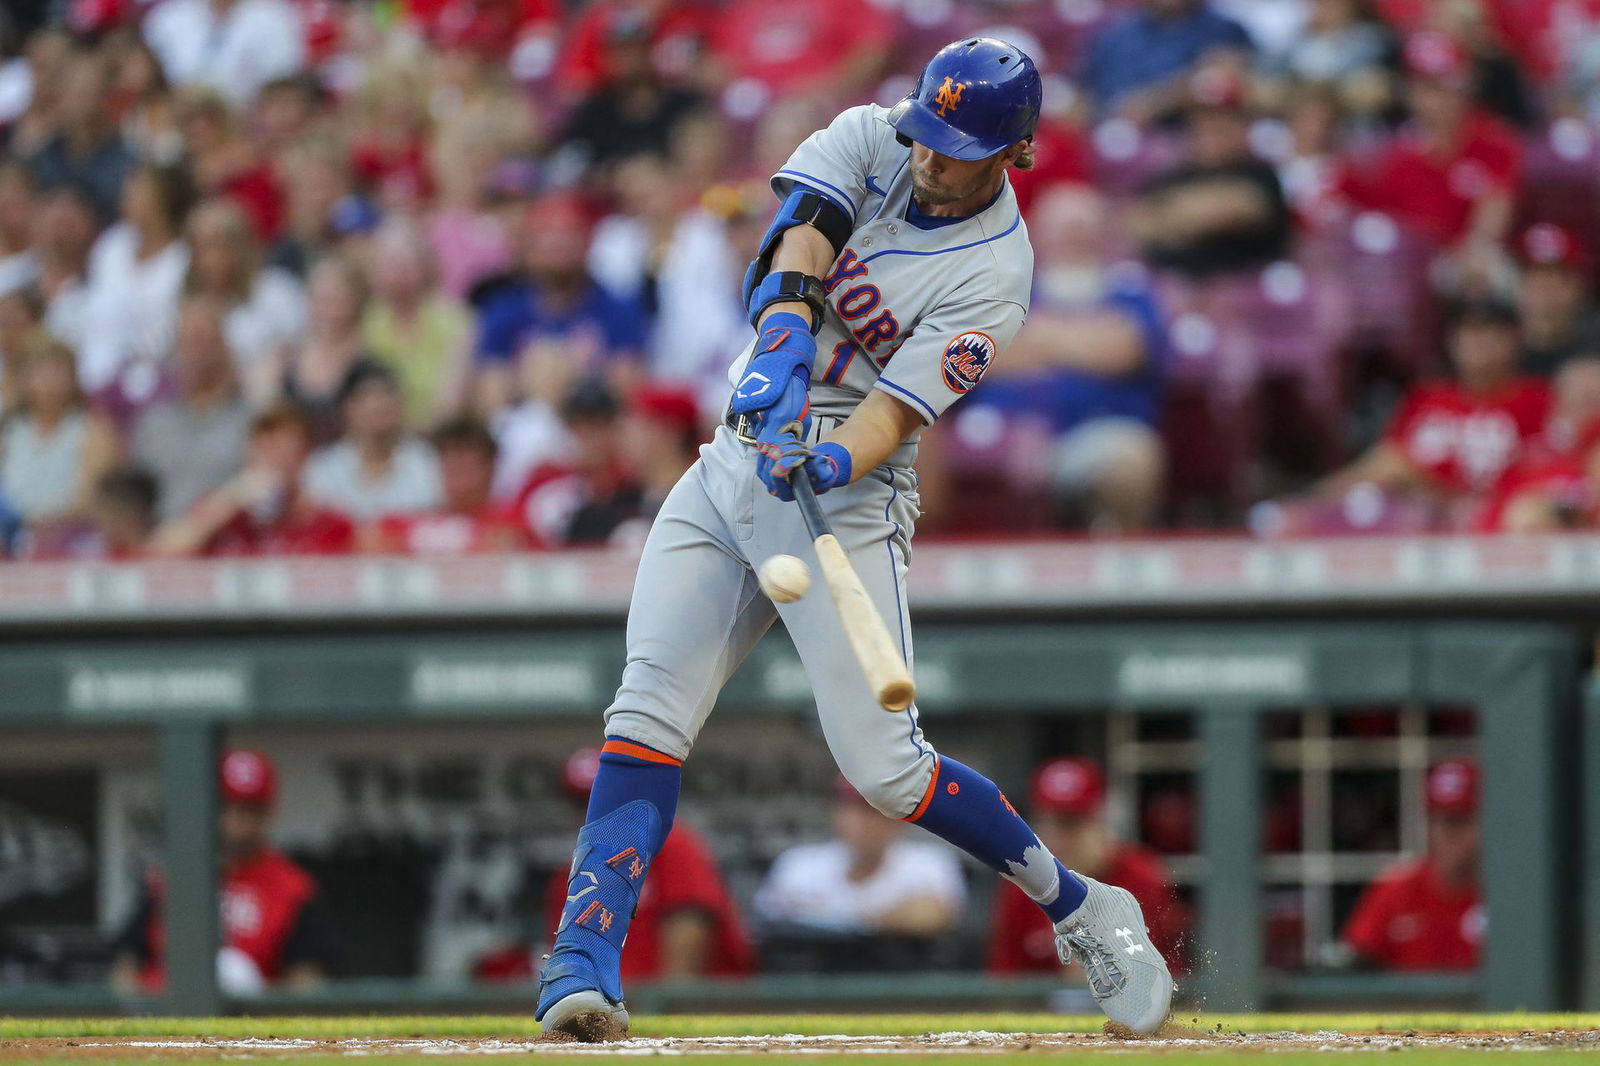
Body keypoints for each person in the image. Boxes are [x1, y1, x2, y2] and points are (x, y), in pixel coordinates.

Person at [533, 39, 1173, 1042]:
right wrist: (784, 333)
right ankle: (583, 959)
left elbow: (893, 417)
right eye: (929, 132)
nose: (930, 157)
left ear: (1014, 153)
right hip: (734, 461)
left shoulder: (994, 274)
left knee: (885, 769)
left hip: (849, 493)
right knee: (647, 702)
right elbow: (804, 229)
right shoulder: (874, 134)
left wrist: (830, 461)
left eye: (958, 147)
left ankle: (1080, 907)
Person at [110, 748, 338, 996]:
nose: (234, 822)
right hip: (161, 1020)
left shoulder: (294, 888)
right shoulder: (171, 877)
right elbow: (126, 969)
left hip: (250, 1026)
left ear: (269, 813)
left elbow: (306, 984)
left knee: (233, 972)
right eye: (225, 807)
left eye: (248, 810)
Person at [519, 748, 752, 981]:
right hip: (615, 1007)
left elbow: (689, 929)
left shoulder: (668, 845)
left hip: (679, 1006)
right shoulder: (570, 876)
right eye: (583, 803)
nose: (595, 811)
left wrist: (665, 1008)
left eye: (605, 798)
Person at [1315, 300, 1551, 526]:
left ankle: (1308, 509)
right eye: (1466, 332)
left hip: (1493, 516)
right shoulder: (1426, 397)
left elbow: (1544, 474)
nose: (1477, 341)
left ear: (1514, 341)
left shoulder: (1536, 399)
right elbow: (1382, 460)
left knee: (1393, 466)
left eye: (1490, 331)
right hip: (1414, 518)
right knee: (1382, 472)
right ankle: (1309, 508)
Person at [987, 758, 1189, 976]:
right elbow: (1004, 983)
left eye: (1072, 823)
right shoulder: (1021, 883)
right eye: (1049, 822)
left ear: (1100, 822)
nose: (1058, 837)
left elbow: (1169, 975)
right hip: (1044, 1010)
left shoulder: (1140, 875)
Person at [755, 778, 966, 971]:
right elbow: (767, 927)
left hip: (897, 990)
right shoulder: (798, 865)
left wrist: (838, 922)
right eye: (854, 808)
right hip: (812, 990)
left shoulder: (929, 862)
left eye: (875, 811)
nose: (865, 822)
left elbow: (931, 916)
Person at [1132, 68, 1292, 278]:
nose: (1210, 131)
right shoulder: (1174, 175)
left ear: (1242, 126)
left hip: (1246, 291)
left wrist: (1175, 214)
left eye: (1222, 122)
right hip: (1178, 290)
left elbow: (1240, 209)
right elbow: (1140, 225)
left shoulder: (1261, 174)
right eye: (1202, 121)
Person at [149, 402, 356, 556]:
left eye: (280, 451)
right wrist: (231, 501)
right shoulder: (224, 514)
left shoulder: (331, 525)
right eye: (262, 449)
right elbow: (158, 553)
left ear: (304, 456)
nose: (270, 461)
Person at [1341, 759, 1483, 971]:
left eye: (1458, 821)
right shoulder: (1397, 889)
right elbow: (1354, 967)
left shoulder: (1509, 894)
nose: (1444, 834)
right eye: (1436, 820)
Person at [131, 295, 253, 521]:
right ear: (176, 349)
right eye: (188, 341)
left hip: (232, 543)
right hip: (162, 542)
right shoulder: (153, 423)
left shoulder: (253, 419)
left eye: (205, 340)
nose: (197, 352)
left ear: (224, 345)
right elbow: (136, 499)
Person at [0, 336, 117, 529]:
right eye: (42, 373)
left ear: (74, 379)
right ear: (25, 379)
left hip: (68, 535)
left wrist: (46, 524)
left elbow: (92, 496)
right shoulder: (9, 429)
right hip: (10, 531)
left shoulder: (93, 431)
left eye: (58, 373)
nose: (50, 383)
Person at [303, 362, 443, 522]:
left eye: (388, 395)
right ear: (347, 408)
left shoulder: (426, 463)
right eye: (369, 397)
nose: (380, 404)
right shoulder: (322, 469)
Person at [367, 416, 529, 554]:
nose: (453, 461)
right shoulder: (417, 523)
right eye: (446, 454)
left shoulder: (514, 520)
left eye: (463, 453)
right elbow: (375, 536)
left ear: (490, 465)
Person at [1080, 0, 1253, 122]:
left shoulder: (1224, 31)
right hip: (1113, 133)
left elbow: (1227, 83)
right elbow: (1082, 95)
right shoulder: (1115, 35)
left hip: (1184, 138)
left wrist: (1155, 102)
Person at [142, 0, 306, 112]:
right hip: (177, 122)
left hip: (248, 129)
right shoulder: (168, 17)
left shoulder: (275, 18)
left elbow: (282, 89)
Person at [1514, 224, 1600, 378]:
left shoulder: (1595, 341)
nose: (1545, 286)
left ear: (1579, 284)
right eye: (1534, 275)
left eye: (1559, 276)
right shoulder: (1499, 339)